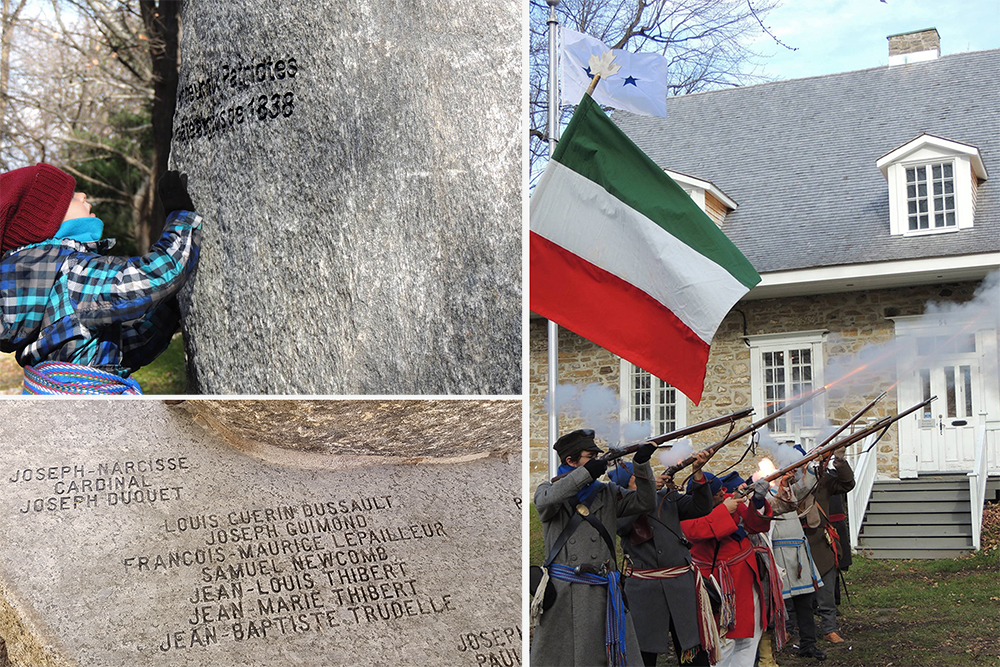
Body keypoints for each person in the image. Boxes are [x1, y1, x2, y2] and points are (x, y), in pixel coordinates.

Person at [0, 163, 202, 394]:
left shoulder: (29, 281)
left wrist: (168, 312)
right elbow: (154, 277)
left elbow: (112, 355)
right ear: (47, 221)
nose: (81, 195)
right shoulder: (71, 271)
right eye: (69, 196)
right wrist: (181, 218)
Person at [531, 429, 657, 666]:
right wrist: (585, 475)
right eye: (591, 457)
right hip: (565, 594)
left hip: (603, 590)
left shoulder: (607, 492)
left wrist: (641, 464)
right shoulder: (548, 489)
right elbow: (545, 502)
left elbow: (646, 502)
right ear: (570, 460)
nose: (598, 461)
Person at [614, 449, 718, 666]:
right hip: (644, 591)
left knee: (693, 651)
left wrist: (697, 472)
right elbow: (622, 527)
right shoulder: (619, 507)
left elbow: (701, 507)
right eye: (639, 480)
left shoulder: (666, 498)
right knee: (643, 655)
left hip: (680, 587)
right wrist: (647, 493)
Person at [680, 471, 772, 667]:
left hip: (745, 579)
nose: (723, 492)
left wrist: (757, 501)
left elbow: (755, 525)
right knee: (723, 644)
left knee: (749, 639)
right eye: (717, 492)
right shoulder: (686, 512)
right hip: (717, 586)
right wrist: (724, 510)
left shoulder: (729, 501)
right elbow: (696, 530)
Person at [767, 468, 827, 661]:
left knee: (805, 604)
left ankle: (808, 644)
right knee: (776, 606)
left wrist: (814, 464)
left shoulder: (791, 493)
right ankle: (769, 651)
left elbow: (806, 488)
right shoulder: (764, 500)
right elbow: (777, 505)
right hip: (777, 555)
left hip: (798, 554)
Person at [801, 446, 855, 644]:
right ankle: (795, 630)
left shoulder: (822, 481)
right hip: (793, 544)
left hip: (820, 542)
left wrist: (839, 462)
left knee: (826, 593)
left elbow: (848, 483)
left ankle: (829, 629)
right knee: (798, 597)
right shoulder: (785, 485)